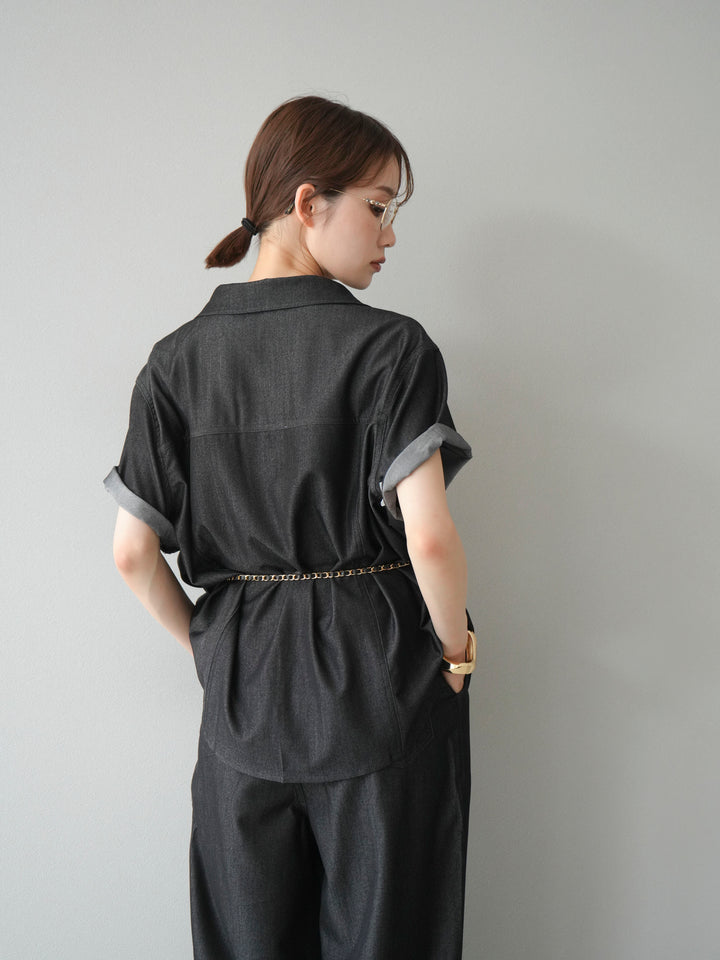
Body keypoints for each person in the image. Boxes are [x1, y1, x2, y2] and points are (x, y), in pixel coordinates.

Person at [104, 95, 475, 960]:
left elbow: (131, 554)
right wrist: (456, 654)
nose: (389, 235)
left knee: (248, 938)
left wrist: (212, 648)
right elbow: (428, 538)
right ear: (309, 203)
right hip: (383, 669)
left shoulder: (174, 363)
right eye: (378, 207)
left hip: (244, 683)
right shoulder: (393, 350)